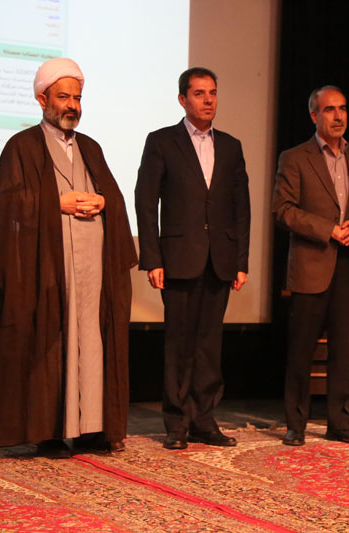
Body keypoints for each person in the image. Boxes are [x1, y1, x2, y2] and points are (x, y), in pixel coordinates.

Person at [0, 57, 137, 458]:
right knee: (52, 346)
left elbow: (114, 197)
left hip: (92, 270)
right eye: (64, 97)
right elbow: (7, 205)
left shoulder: (91, 148)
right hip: (48, 270)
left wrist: (104, 201)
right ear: (42, 99)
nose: (72, 106)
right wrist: (55, 202)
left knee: (93, 343)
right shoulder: (22, 146)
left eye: (77, 98)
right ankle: (49, 431)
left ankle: (92, 429)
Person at [135, 67, 250, 450]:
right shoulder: (162, 141)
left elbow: (241, 207)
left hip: (220, 259)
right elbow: (146, 201)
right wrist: (152, 258)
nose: (208, 100)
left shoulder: (231, 146)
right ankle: (177, 424)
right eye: (199, 93)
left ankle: (204, 420)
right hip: (178, 258)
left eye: (212, 92)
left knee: (209, 345)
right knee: (180, 344)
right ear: (183, 99)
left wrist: (241, 261)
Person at [272, 86, 349, 446]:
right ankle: (296, 424)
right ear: (314, 116)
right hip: (311, 265)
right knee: (302, 350)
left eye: (343, 109)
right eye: (330, 110)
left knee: (342, 350)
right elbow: (282, 210)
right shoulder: (295, 157)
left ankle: (339, 423)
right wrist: (328, 229)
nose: (338, 116)